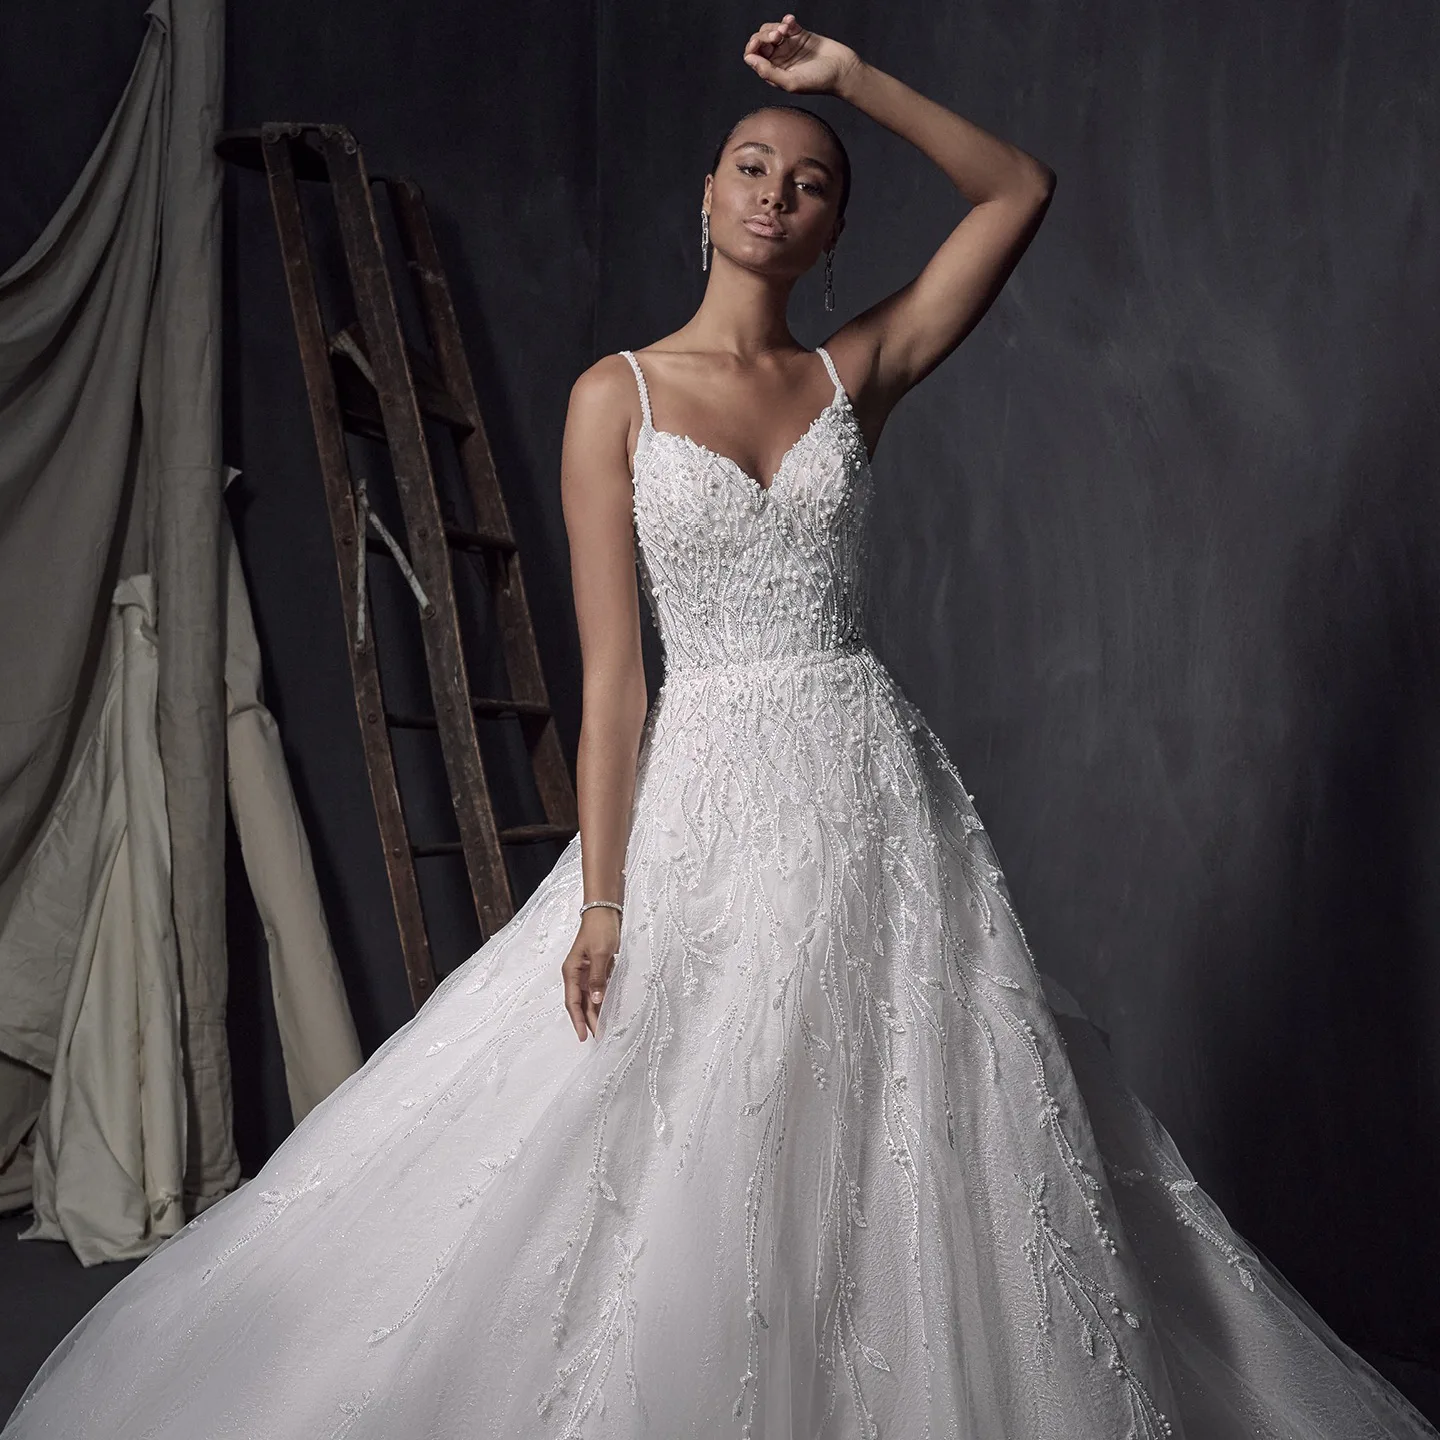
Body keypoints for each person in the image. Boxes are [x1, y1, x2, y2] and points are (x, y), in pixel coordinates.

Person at [5, 14, 1436, 1440]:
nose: (774, 192)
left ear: (832, 231)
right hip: (708, 786)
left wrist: (851, 80)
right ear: (706, 197)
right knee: (685, 1125)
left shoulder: (855, 374)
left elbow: (1018, 190)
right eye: (751, 166)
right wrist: (603, 899)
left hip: (869, 790)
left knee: (899, 1123)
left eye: (811, 182)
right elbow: (615, 681)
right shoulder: (614, 396)